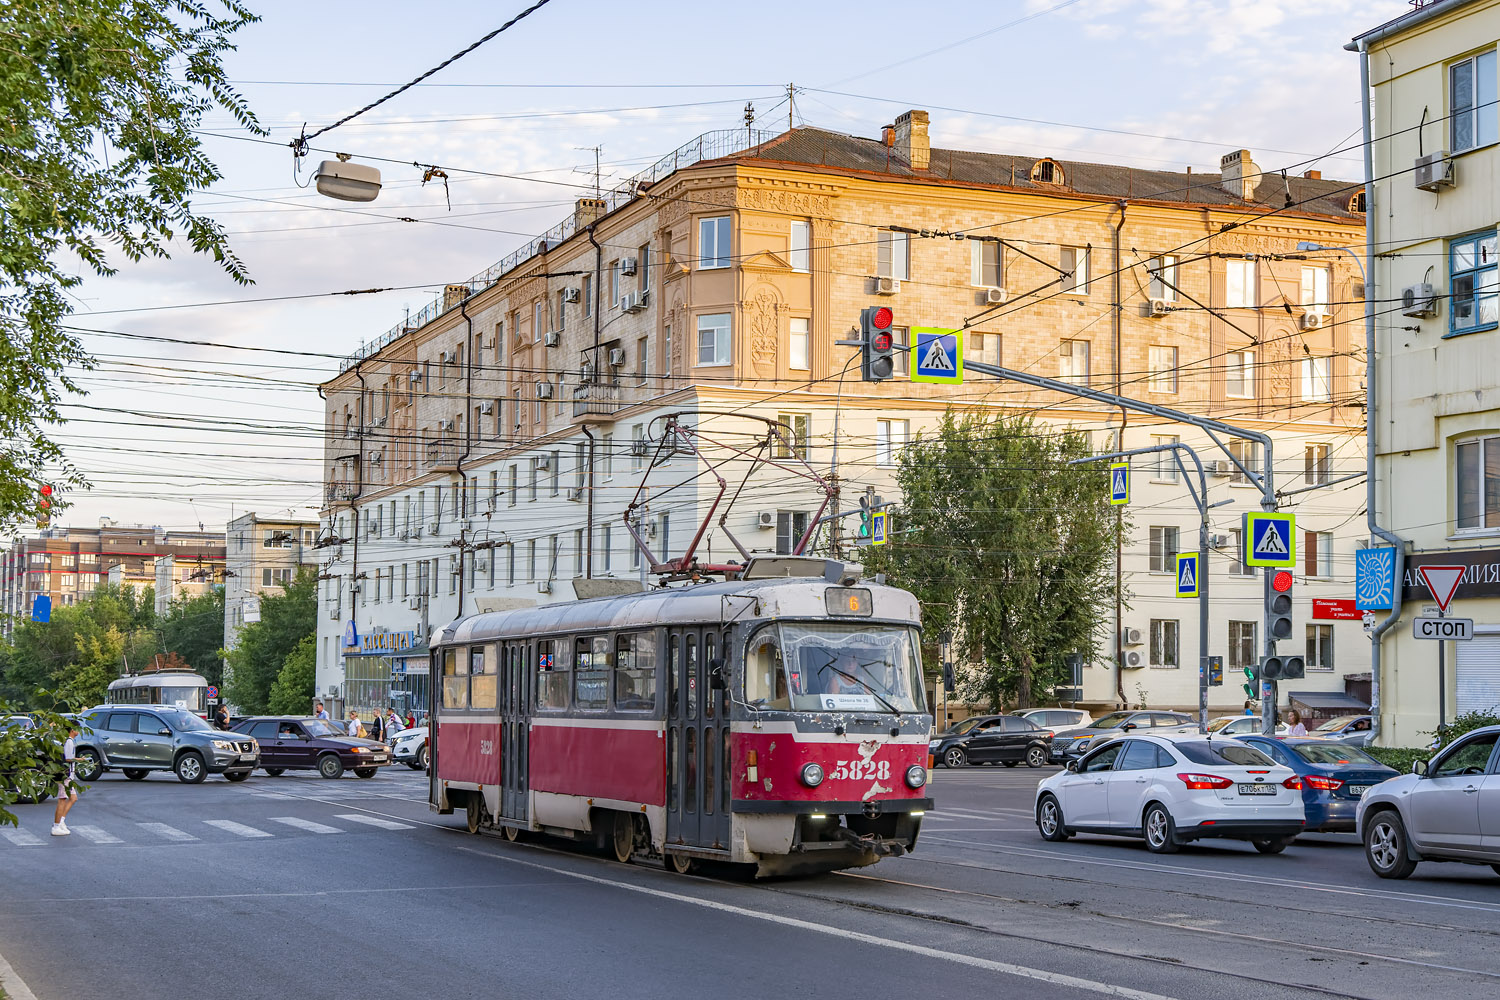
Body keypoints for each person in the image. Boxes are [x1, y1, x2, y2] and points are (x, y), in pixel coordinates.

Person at [52, 725, 80, 837]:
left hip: (69, 776)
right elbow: (68, 758)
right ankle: (56, 826)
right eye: (78, 729)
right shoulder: (69, 742)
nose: (79, 731)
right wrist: (81, 760)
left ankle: (61, 821)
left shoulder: (70, 741)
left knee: (73, 798)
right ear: (72, 730)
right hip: (66, 775)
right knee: (62, 799)